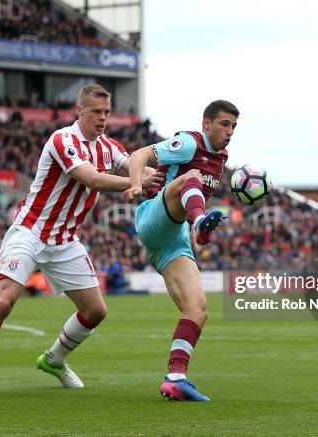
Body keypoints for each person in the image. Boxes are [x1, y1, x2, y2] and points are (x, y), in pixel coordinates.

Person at [0, 84, 161, 396]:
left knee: (96, 312)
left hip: (64, 240)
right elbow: (92, 179)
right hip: (30, 231)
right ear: (79, 110)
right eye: (96, 112)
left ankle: (54, 360)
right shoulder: (63, 140)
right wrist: (136, 182)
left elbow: (133, 164)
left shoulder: (108, 146)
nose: (102, 118)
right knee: (4, 301)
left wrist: (158, 170)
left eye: (107, 113)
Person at [124, 100, 239, 401]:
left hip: (174, 238)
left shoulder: (222, 157)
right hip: (154, 215)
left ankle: (176, 378)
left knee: (197, 309)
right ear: (206, 123)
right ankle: (200, 222)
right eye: (224, 124)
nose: (229, 132)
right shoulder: (189, 142)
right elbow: (139, 155)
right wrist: (136, 184)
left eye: (234, 126)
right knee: (192, 178)